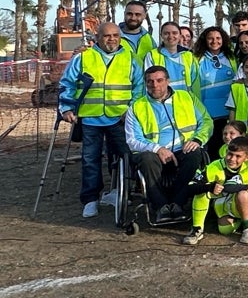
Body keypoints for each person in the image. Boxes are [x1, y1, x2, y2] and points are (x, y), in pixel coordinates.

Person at [60, 22, 145, 218]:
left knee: (124, 157)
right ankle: (90, 199)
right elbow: (67, 83)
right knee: (91, 159)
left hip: (120, 119)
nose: (112, 39)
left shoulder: (131, 59)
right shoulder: (83, 58)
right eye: (107, 35)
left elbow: (139, 88)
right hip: (91, 118)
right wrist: (66, 108)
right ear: (97, 37)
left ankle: (117, 192)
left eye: (116, 35)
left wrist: (132, 110)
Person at [124, 65, 212, 221]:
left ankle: (178, 203)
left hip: (183, 149)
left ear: (168, 81)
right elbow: (132, 140)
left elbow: (206, 122)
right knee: (147, 159)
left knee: (195, 154)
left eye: (159, 80)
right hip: (153, 154)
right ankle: (161, 206)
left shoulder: (187, 97)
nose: (155, 85)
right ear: (145, 83)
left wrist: (197, 139)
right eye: (150, 81)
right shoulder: (137, 107)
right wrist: (158, 149)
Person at [183, 135, 248, 245]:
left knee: (243, 194)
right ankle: (197, 229)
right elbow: (189, 188)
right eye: (230, 154)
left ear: (247, 158)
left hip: (247, 200)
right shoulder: (214, 167)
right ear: (226, 151)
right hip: (224, 202)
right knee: (225, 230)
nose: (232, 159)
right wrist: (210, 187)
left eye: (238, 156)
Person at [193, 26, 237, 157]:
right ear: (204, 40)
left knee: (227, 147)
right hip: (207, 112)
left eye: (218, 38)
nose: (214, 41)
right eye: (210, 38)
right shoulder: (196, 58)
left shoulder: (231, 57)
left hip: (227, 112)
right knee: (211, 148)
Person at [145, 21, 199, 96]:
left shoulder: (189, 56)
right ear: (161, 36)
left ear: (180, 35)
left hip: (185, 100)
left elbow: (196, 83)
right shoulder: (152, 55)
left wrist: (195, 102)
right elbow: (148, 82)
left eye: (174, 33)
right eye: (166, 33)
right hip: (163, 101)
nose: (170, 36)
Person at [118, 0, 154, 65]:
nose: (133, 18)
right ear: (124, 14)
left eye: (137, 14)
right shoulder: (113, 37)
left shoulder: (149, 39)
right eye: (129, 14)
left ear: (144, 16)